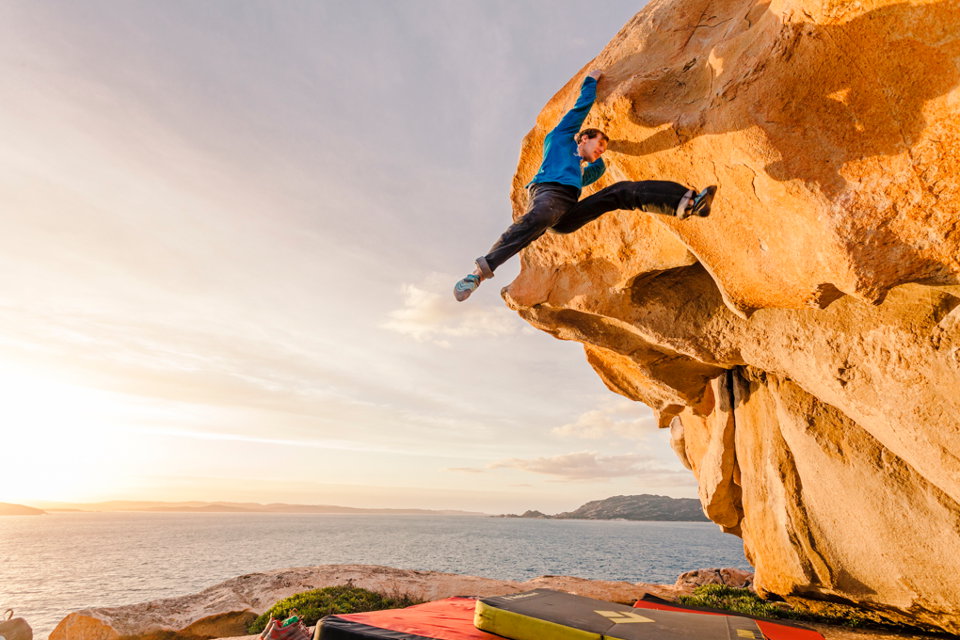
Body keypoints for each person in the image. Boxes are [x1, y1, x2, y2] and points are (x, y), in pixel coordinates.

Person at [454, 69, 716, 302]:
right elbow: (580, 109)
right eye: (599, 144)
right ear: (583, 138)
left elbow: (598, 169)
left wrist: (602, 154)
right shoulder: (560, 140)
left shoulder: (582, 174)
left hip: (567, 213)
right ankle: (478, 273)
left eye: (604, 148)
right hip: (548, 194)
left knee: (621, 192)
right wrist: (591, 81)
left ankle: (688, 203)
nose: (601, 150)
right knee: (539, 218)